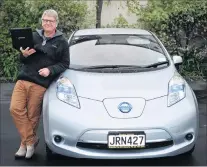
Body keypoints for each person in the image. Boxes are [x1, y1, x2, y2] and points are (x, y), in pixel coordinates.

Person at [10, 9, 70, 159]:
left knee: (33, 116)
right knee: (15, 109)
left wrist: (50, 70)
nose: (47, 23)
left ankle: (23, 146)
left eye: (50, 21)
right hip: (23, 79)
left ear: (56, 22)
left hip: (40, 83)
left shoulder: (62, 42)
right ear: (42, 21)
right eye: (44, 20)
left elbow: (64, 64)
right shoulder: (33, 36)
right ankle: (31, 141)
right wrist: (23, 54)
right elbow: (22, 58)